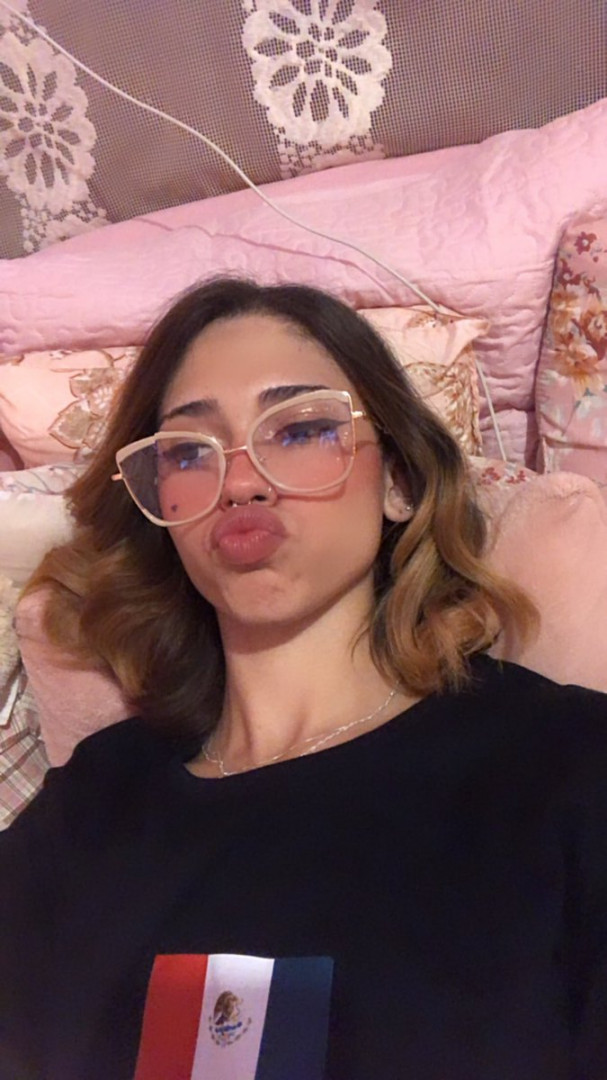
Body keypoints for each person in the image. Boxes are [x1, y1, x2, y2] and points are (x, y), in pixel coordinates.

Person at [1, 277, 607, 1080]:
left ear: (397, 480)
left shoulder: (568, 766)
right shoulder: (92, 803)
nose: (241, 481)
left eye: (301, 429)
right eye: (188, 452)